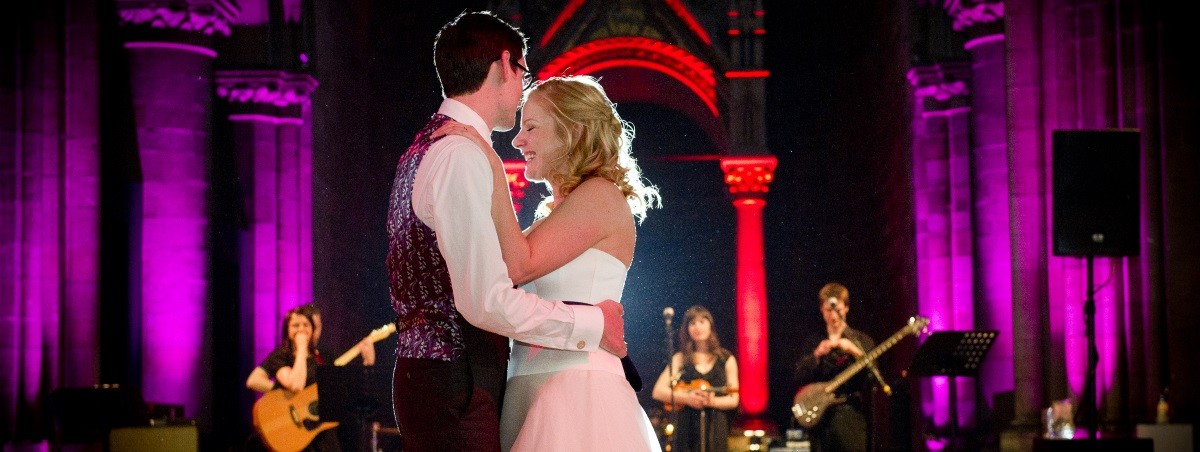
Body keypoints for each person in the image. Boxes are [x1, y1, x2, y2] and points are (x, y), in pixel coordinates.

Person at [385, 11, 627, 452]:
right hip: (460, 381)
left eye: (532, 128)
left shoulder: (430, 147)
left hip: (544, 393)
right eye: (523, 73)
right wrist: (593, 322)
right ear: (503, 65)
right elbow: (488, 298)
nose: (518, 135)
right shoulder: (460, 152)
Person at [436, 74, 663, 451]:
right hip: (527, 386)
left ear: (572, 131)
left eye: (532, 127)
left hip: (578, 391)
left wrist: (491, 166)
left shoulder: (601, 196)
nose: (518, 140)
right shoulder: (548, 218)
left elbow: (518, 267)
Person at [244, 306, 344, 451]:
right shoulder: (282, 356)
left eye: (306, 325)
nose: (301, 330)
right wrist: (301, 348)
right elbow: (296, 385)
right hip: (296, 432)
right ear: (287, 330)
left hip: (322, 432)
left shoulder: (322, 356)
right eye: (295, 325)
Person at [793, 282, 876, 452]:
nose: (833, 315)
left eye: (837, 309)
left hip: (850, 416)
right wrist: (816, 354)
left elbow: (873, 377)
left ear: (846, 308)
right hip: (820, 420)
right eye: (828, 310)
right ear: (822, 311)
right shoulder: (813, 342)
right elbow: (798, 376)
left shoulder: (861, 341)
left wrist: (854, 351)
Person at [651, 305, 740, 452]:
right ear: (687, 329)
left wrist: (711, 401)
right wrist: (687, 398)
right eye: (692, 323)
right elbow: (658, 391)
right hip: (686, 427)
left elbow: (734, 398)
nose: (697, 327)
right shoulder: (680, 358)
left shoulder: (726, 359)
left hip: (715, 426)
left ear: (710, 325)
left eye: (702, 322)